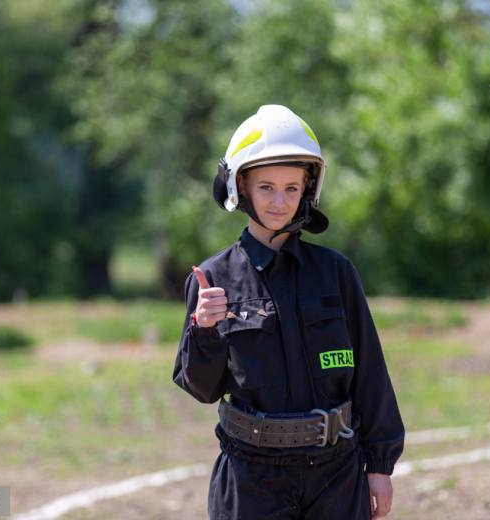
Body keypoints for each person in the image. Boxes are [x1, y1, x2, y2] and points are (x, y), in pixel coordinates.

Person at [173, 105, 405, 520]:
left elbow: (371, 371)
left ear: (308, 190)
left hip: (337, 472)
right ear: (238, 186)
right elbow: (202, 389)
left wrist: (380, 466)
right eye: (266, 187)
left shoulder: (337, 272)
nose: (279, 201)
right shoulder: (212, 279)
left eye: (291, 188)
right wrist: (203, 330)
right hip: (252, 478)